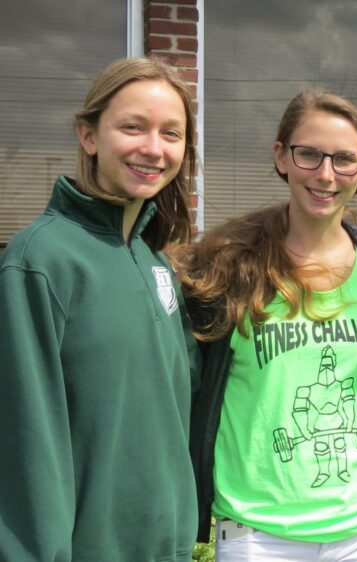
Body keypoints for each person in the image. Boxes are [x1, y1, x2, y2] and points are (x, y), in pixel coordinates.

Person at [179, 91, 357, 560]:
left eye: (345, 159)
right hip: (258, 533)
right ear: (281, 156)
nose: (326, 174)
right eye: (309, 154)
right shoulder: (229, 264)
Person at [0, 57, 199, 561]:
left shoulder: (156, 262)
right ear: (89, 136)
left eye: (171, 133)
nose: (153, 149)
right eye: (133, 127)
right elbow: (26, 442)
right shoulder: (39, 262)